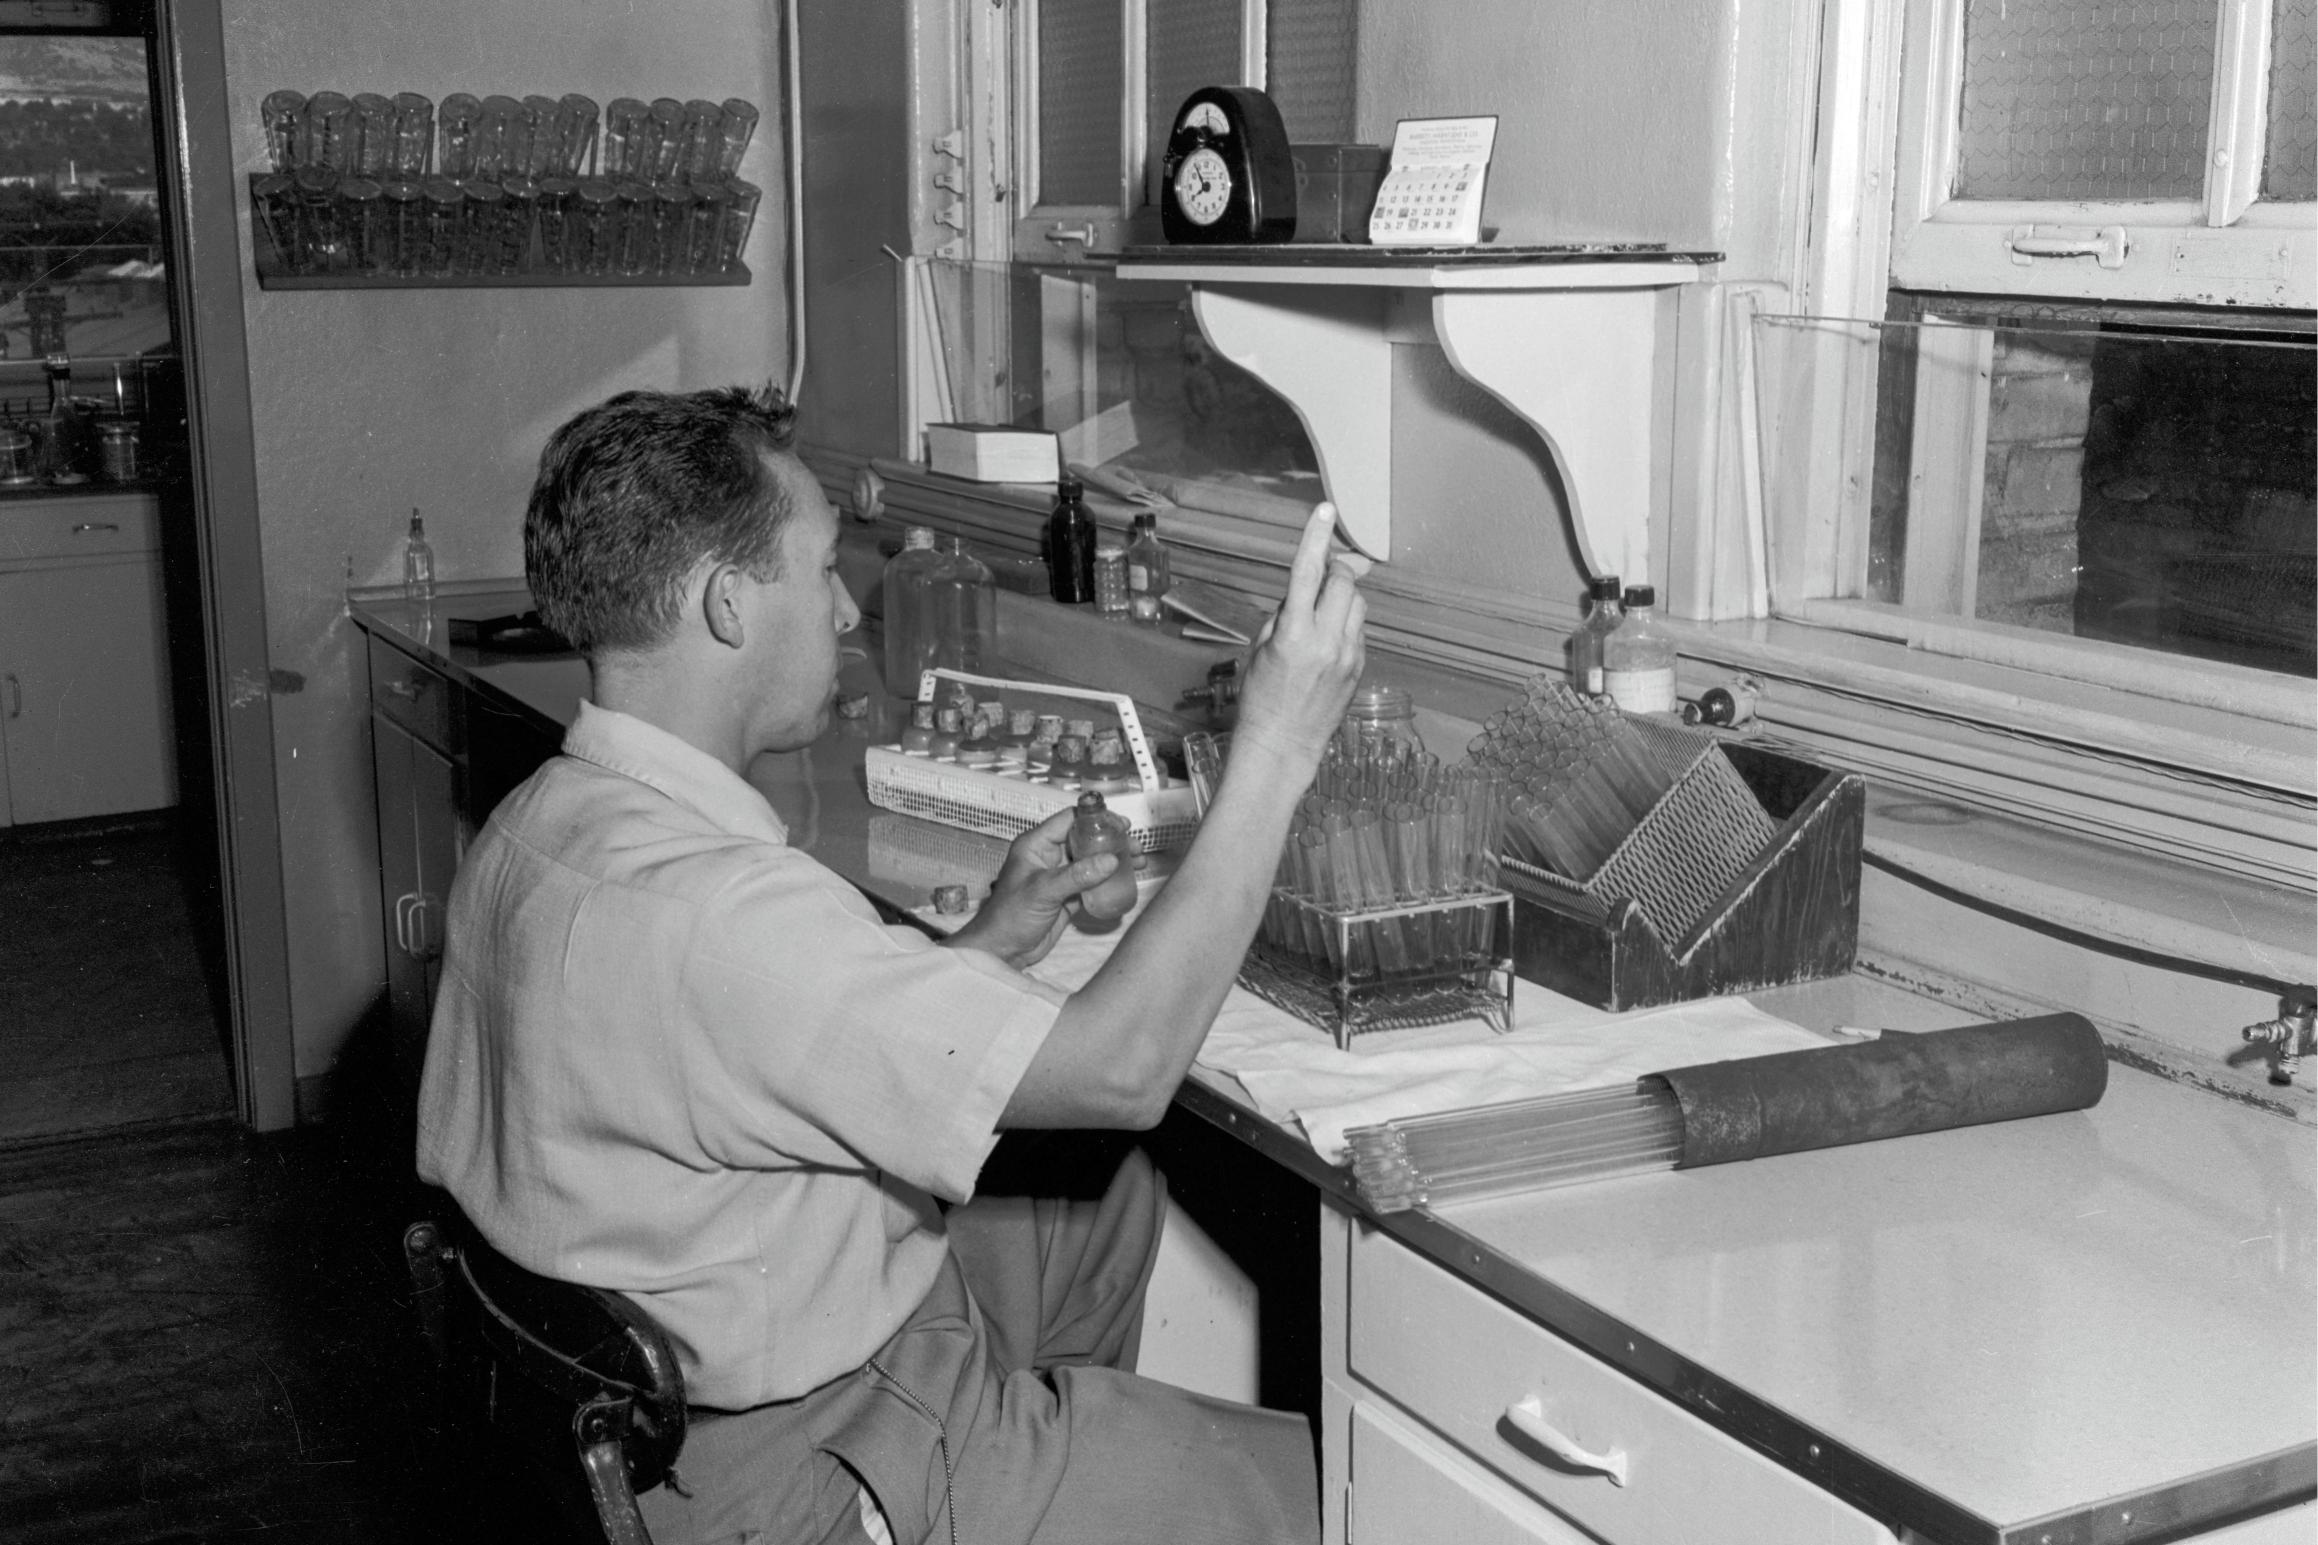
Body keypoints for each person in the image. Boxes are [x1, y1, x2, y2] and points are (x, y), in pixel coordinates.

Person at [416, 384, 1366, 1545]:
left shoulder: (533, 826)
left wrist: (991, 944)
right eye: (820, 572)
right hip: (797, 1474)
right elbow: (1122, 1071)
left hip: (671, 1388)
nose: (848, 614)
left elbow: (735, 1048)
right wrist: (1276, 743)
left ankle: (1047, 1470)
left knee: (1098, 1197)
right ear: (726, 606)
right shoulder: (727, 915)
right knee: (1336, 1488)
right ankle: (1018, 1481)